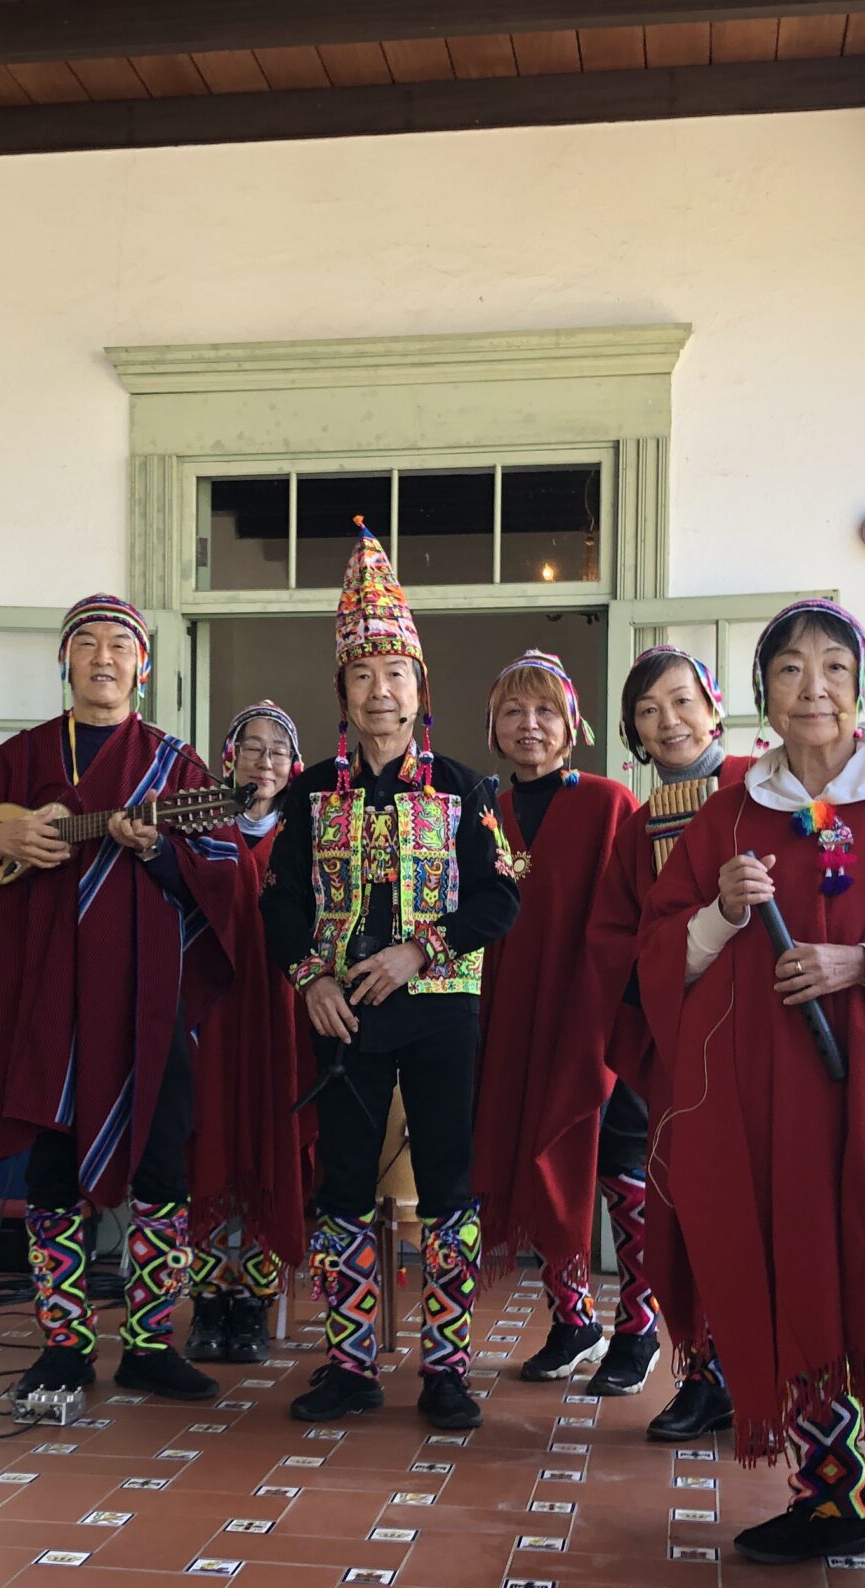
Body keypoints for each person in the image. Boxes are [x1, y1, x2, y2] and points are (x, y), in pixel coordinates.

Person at [642, 602, 865, 1588]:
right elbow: (661, 955)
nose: (814, 687)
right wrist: (722, 910)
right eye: (789, 669)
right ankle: (826, 1501)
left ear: (861, 684)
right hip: (773, 1093)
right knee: (802, 1277)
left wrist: (863, 962)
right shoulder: (730, 815)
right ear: (762, 694)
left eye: (834, 666)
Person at [0, 595, 243, 1406]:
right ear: (64, 660)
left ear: (143, 666)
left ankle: (149, 1345)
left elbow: (224, 871)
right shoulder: (21, 757)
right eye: (88, 644)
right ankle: (64, 1346)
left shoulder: (175, 767)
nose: (105, 658)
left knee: (162, 1166)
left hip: (146, 1001)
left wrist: (159, 851)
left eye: (121, 646)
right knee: (51, 1168)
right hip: (44, 998)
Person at [263, 521, 520, 1429]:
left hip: (442, 1010)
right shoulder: (308, 794)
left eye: (397, 674)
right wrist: (312, 981)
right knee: (342, 1185)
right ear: (342, 689)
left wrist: (421, 949)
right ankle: (349, 1365)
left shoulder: (464, 789)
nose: (382, 690)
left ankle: (445, 1369)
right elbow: (279, 902)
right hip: (345, 1018)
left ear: (421, 688)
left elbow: (500, 898)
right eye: (364, 674)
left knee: (448, 1184)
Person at [467, 652, 649, 1390]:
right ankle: (573, 1320)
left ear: (572, 725)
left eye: (545, 711)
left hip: (600, 1017)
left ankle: (639, 1328)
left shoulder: (610, 803)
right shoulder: (486, 814)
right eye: (513, 712)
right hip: (514, 1013)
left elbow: (640, 911)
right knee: (538, 1160)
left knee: (620, 1167)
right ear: (493, 729)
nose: (530, 725)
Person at [594, 647, 754, 1435]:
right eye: (648, 711)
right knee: (693, 1207)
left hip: (768, 1032)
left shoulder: (766, 787)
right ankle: (709, 1375)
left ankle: (784, 1382)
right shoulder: (638, 828)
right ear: (633, 732)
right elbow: (614, 937)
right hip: (683, 1042)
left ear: (714, 708)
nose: (669, 722)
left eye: (682, 701)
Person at [184, 702, 315, 1366]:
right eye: (251, 748)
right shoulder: (200, 831)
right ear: (228, 760)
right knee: (210, 1142)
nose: (263, 761)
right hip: (215, 1014)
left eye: (277, 750)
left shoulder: (306, 834)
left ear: (294, 767)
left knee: (270, 1146)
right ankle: (209, 1300)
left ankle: (255, 1303)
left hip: (284, 1014)